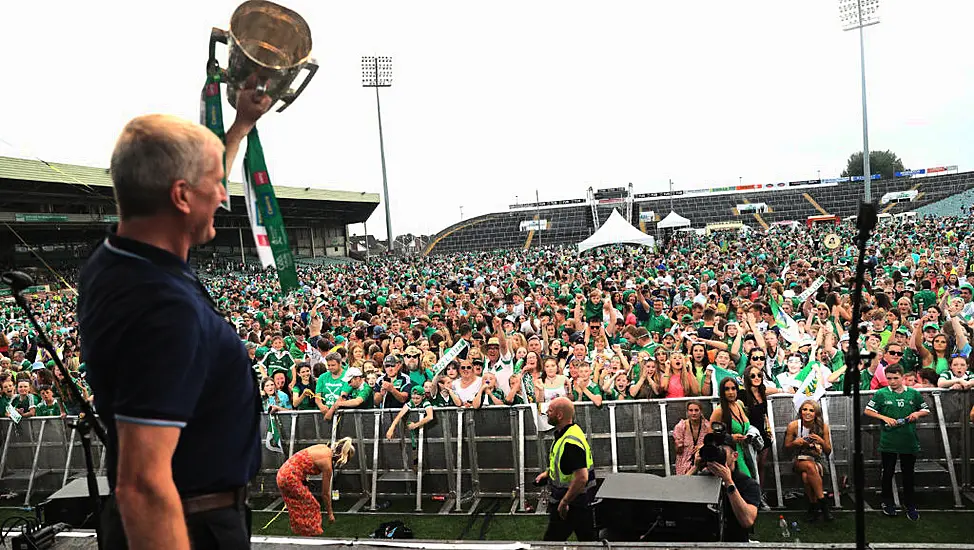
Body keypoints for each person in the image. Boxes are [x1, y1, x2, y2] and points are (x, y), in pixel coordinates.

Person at [78, 82, 270, 549]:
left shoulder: (120, 259)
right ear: (182, 197)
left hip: (189, 513)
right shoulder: (163, 309)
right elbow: (142, 487)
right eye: (217, 184)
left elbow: (190, 180)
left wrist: (240, 126)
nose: (223, 196)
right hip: (187, 525)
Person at [864, 364, 930, 520]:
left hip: (908, 439)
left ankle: (910, 504)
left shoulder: (913, 394)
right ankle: (887, 502)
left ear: (902, 377)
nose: (892, 381)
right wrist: (884, 417)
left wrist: (917, 414)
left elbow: (926, 410)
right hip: (889, 440)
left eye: (895, 378)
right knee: (887, 472)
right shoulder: (881, 394)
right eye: (889, 379)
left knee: (908, 474)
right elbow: (868, 410)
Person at [533, 397, 596, 542]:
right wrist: (547, 474)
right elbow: (564, 464)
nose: (547, 413)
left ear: (559, 415)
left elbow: (581, 478)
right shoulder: (569, 432)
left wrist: (564, 502)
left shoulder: (570, 442)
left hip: (571, 504)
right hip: (579, 502)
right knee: (589, 541)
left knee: (551, 544)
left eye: (550, 410)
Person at [685, 424, 761, 542]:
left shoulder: (747, 483)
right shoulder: (703, 478)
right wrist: (695, 467)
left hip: (734, 542)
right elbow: (678, 495)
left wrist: (728, 482)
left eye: (721, 450)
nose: (716, 453)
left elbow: (747, 521)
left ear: (735, 456)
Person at [275, 438, 356, 536]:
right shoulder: (327, 465)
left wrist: (303, 480)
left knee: (295, 504)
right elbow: (325, 494)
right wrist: (330, 514)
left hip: (282, 474)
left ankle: (298, 531)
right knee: (313, 505)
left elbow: (299, 461)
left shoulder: (323, 447)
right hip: (290, 478)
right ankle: (312, 534)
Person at [784, 399, 833, 522]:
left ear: (816, 413)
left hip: (817, 459)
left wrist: (820, 441)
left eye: (811, 410)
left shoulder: (823, 427)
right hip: (798, 459)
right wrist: (795, 443)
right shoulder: (794, 426)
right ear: (800, 412)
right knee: (809, 467)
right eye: (804, 409)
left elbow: (828, 451)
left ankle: (814, 507)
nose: (807, 413)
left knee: (806, 476)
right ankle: (824, 504)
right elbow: (786, 447)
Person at [672, 400, 711, 475]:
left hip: (703, 463)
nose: (694, 413)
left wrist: (703, 446)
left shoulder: (707, 426)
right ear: (687, 412)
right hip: (684, 463)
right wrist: (677, 445)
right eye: (691, 410)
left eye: (696, 410)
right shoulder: (680, 426)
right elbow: (678, 452)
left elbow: (712, 443)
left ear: (701, 411)